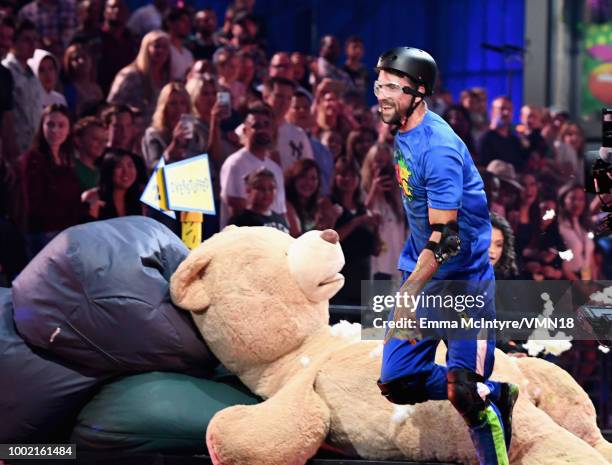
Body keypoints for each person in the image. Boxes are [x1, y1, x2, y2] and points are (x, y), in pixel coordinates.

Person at [374, 46, 517, 465]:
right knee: (397, 381)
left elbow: (446, 240)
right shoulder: (404, 131)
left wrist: (406, 296)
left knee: (464, 394)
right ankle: (497, 390)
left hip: (461, 281)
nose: (381, 94)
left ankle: (483, 396)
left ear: (419, 92)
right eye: (378, 84)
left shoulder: (439, 149)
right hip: (419, 270)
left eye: (393, 87)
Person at [19, 104, 86, 257]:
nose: (55, 130)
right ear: (42, 126)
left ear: (69, 129)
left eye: (61, 125)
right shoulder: (33, 159)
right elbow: (35, 207)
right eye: (50, 124)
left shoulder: (67, 160)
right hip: (44, 236)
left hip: (67, 233)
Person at [219, 102, 285, 228]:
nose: (262, 130)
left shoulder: (276, 169)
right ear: (245, 130)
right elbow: (236, 213)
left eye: (267, 125)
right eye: (256, 125)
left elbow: (281, 212)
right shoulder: (235, 164)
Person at [330, 156, 380, 305]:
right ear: (335, 177)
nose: (348, 179)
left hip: (363, 282)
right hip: (338, 280)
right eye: (343, 174)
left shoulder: (362, 209)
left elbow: (376, 250)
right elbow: (331, 240)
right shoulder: (329, 204)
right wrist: (357, 222)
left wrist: (376, 227)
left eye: (352, 175)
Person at [107, 30, 170, 126]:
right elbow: (113, 104)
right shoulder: (129, 75)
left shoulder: (166, 78)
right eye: (157, 46)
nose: (161, 50)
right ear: (146, 48)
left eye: (165, 47)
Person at [362, 143, 405, 282]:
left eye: (386, 163)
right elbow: (362, 213)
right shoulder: (363, 186)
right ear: (370, 163)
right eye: (378, 161)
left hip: (396, 256)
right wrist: (374, 190)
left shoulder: (398, 190)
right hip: (376, 260)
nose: (382, 167)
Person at [141, 82, 206, 170]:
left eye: (182, 103)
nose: (178, 109)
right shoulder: (153, 135)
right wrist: (171, 150)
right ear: (164, 107)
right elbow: (153, 169)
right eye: (173, 103)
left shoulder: (196, 133)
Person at [2, 18, 43, 154]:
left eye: (34, 40)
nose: (32, 45)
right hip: (13, 149)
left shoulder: (34, 75)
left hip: (33, 150)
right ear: (14, 42)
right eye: (26, 40)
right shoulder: (6, 72)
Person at [82, 148, 143, 219]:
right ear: (109, 170)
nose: (126, 171)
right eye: (119, 167)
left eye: (130, 166)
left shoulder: (139, 199)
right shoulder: (93, 196)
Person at [284, 158, 339, 237]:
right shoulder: (287, 205)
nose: (308, 182)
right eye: (303, 176)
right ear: (293, 178)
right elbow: (297, 239)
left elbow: (326, 238)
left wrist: (331, 220)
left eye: (313, 178)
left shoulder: (317, 204)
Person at [228, 167, 289, 233]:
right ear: (248, 190)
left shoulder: (280, 220)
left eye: (271, 188)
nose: (266, 192)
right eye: (260, 188)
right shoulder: (239, 221)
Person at [98, 0, 137, 96]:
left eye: (121, 8)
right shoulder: (94, 37)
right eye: (113, 7)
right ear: (104, 12)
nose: (117, 11)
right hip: (101, 90)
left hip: (127, 91)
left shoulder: (132, 39)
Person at [477, 96, 527, 171]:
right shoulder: (485, 139)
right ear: (492, 112)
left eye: (509, 109)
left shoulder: (515, 141)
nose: (506, 113)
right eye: (502, 109)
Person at [62, 43, 103, 117]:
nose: (81, 61)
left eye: (84, 57)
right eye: (76, 59)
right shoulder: (68, 90)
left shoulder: (97, 88)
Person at [73, 116, 107, 191]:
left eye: (104, 140)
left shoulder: (99, 172)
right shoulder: (72, 169)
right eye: (95, 139)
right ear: (78, 140)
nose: (101, 144)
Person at [163, 6, 193, 82]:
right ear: (170, 23)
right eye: (183, 21)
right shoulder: (162, 50)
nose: (187, 25)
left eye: (189, 21)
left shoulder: (188, 54)